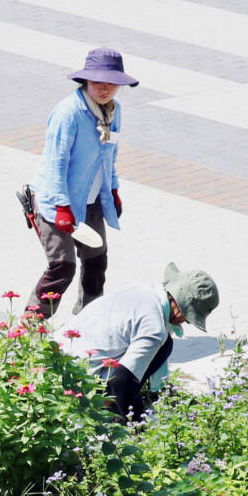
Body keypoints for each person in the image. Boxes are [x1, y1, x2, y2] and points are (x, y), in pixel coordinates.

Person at [24, 48, 138, 320]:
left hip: (90, 199)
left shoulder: (113, 110)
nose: (105, 88)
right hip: (55, 201)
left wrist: (112, 189)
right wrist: (63, 206)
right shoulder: (68, 113)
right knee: (62, 266)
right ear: (85, 81)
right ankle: (28, 329)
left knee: (97, 260)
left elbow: (109, 155)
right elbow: (56, 163)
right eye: (98, 81)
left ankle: (89, 321)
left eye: (111, 83)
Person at [69, 262, 219, 421]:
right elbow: (121, 381)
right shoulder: (154, 328)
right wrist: (137, 421)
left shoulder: (144, 290)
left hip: (61, 360)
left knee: (165, 344)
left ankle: (122, 402)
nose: (187, 322)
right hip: (79, 384)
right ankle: (111, 408)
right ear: (179, 304)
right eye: (189, 316)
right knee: (163, 347)